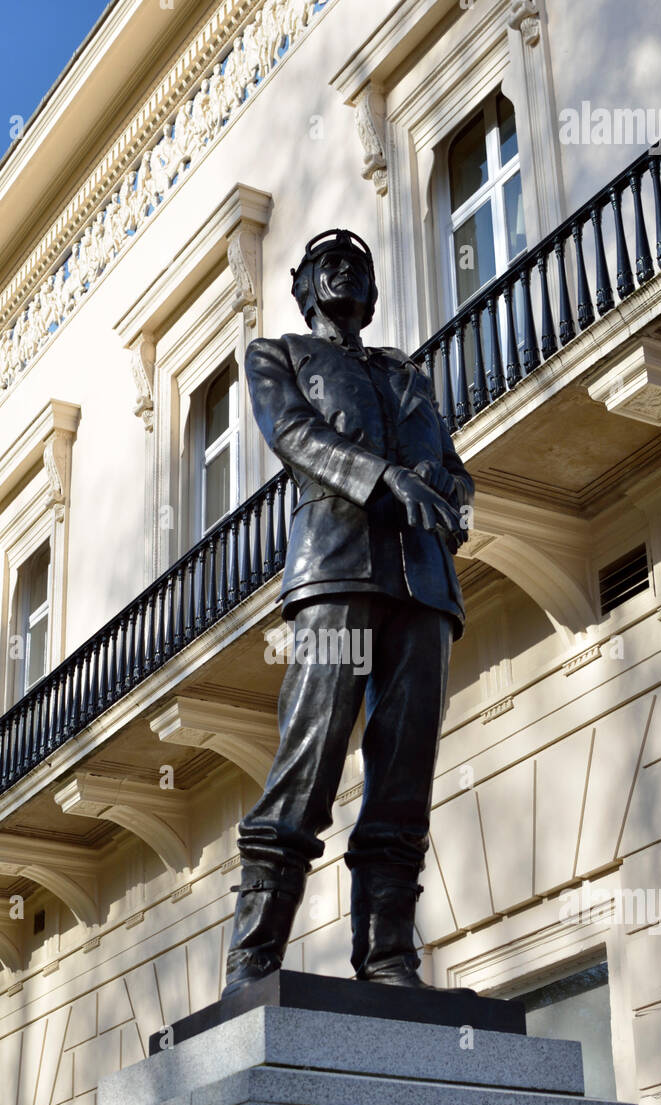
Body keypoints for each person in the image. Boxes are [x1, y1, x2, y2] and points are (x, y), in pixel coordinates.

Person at [224, 228, 473, 995]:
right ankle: (255, 956)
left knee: (405, 774)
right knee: (309, 758)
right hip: (334, 571)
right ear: (304, 289)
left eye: (359, 264)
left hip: (422, 583)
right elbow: (295, 436)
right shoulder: (278, 356)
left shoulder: (407, 375)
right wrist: (384, 478)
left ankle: (390, 958)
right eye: (329, 263)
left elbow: (456, 472)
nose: (345, 271)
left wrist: (441, 487)